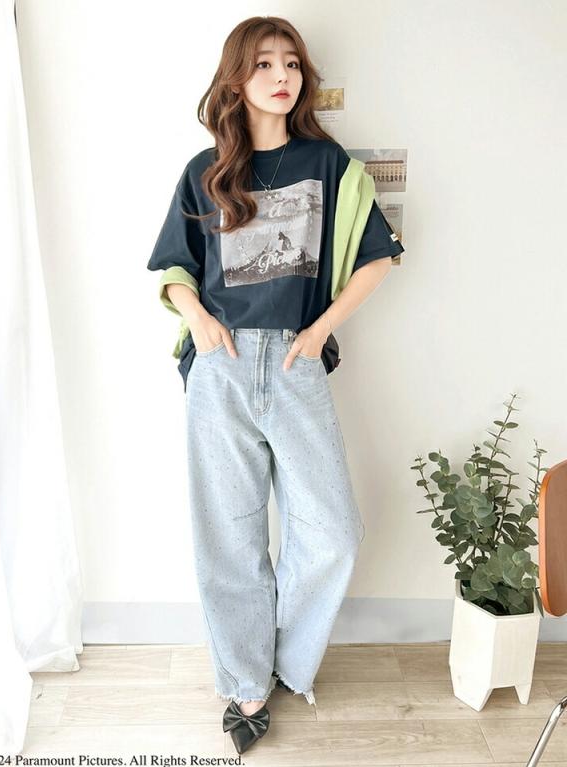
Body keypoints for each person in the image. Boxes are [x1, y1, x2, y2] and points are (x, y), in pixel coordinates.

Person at [146, 15, 404, 755]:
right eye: (264, 63)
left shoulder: (328, 164)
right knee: (228, 533)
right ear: (237, 78)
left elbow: (379, 257)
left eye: (291, 63)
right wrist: (199, 320)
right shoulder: (205, 170)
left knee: (333, 531)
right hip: (221, 365)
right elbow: (173, 269)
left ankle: (283, 658)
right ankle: (246, 681)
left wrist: (319, 330)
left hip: (295, 363)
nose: (282, 75)